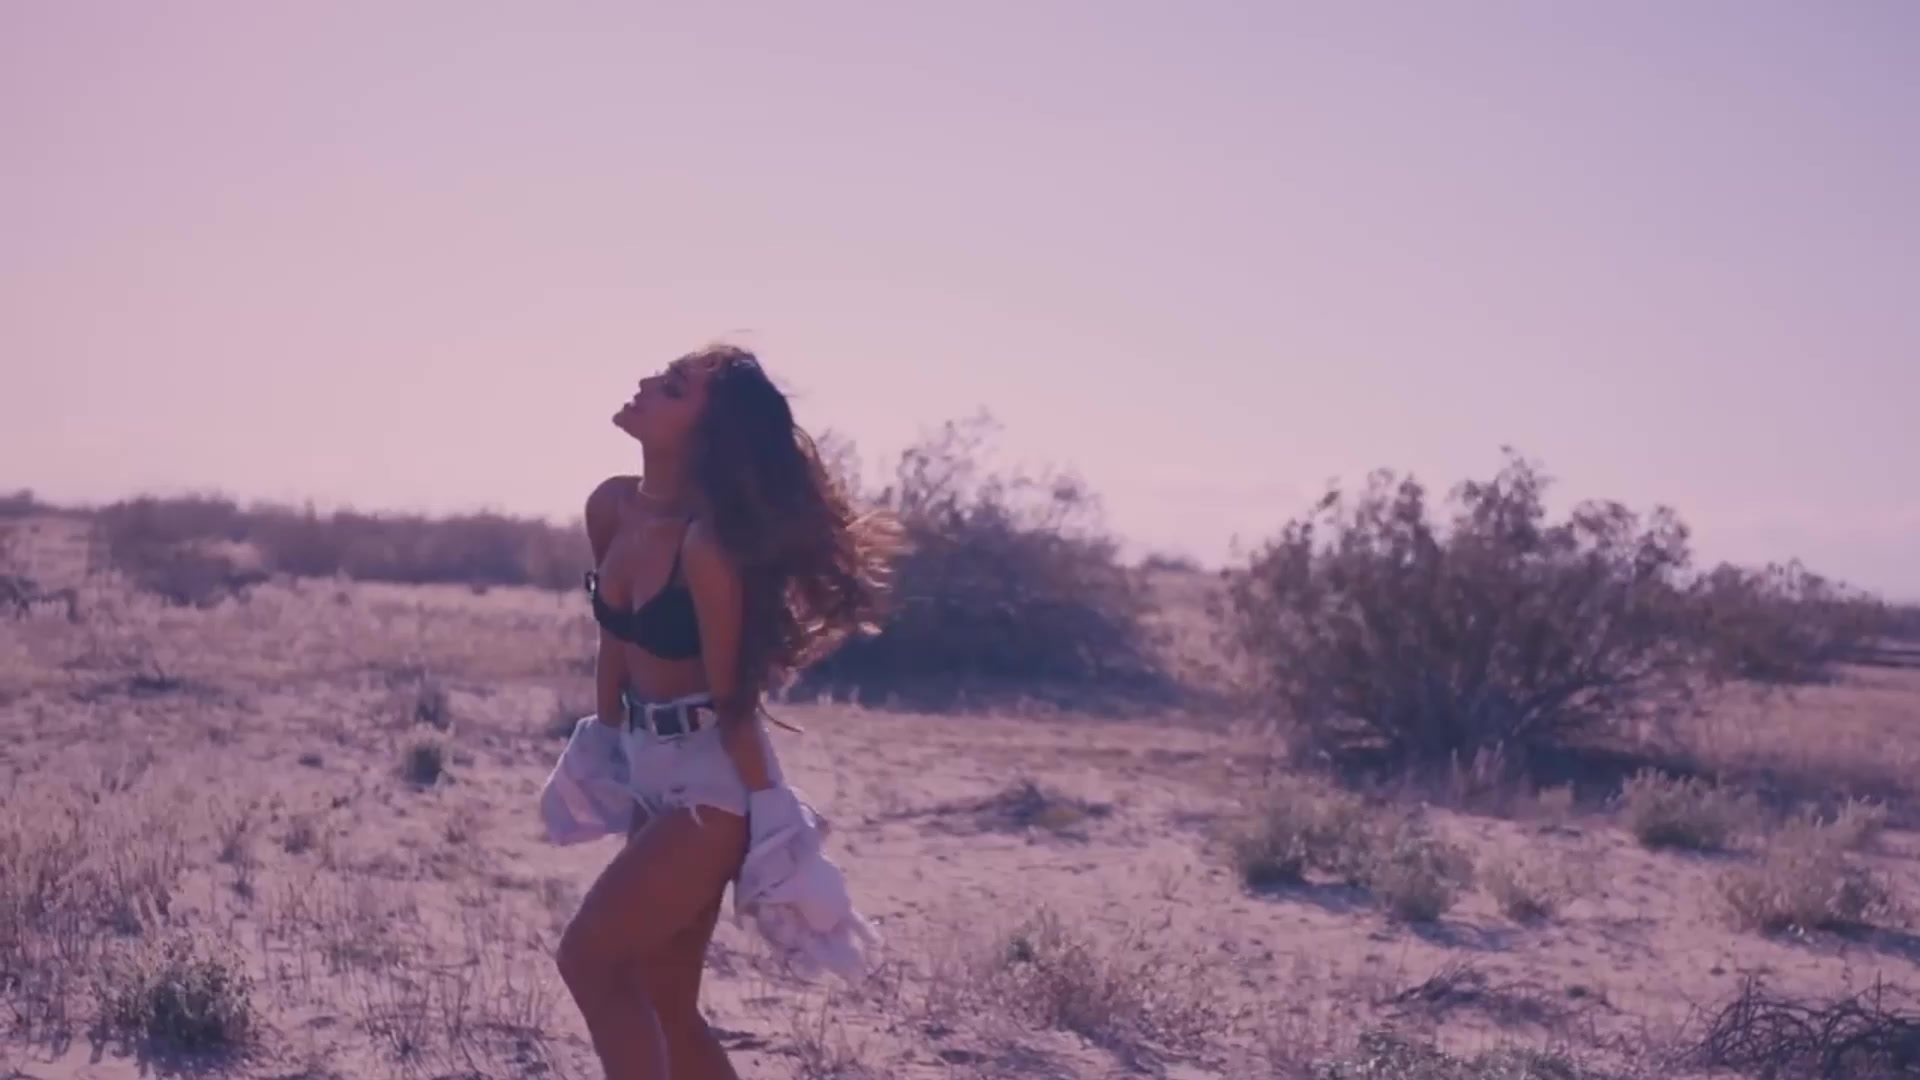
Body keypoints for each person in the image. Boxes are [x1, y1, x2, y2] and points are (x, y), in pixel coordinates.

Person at [546, 344, 898, 1079]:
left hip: (712, 783)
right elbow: (615, 639)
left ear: (704, 434)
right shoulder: (611, 505)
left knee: (590, 960)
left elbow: (735, 699)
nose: (646, 382)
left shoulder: (706, 545)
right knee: (664, 1003)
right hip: (647, 764)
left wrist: (776, 822)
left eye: (674, 388)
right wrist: (603, 739)